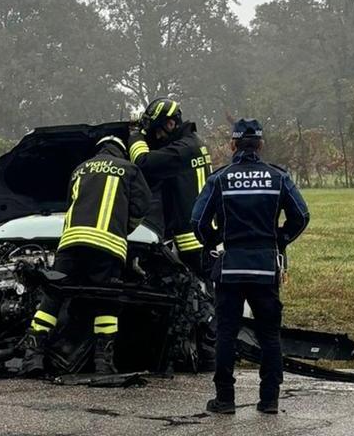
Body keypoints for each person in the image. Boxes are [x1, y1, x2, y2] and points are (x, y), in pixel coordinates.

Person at [191, 119, 309, 415]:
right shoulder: (278, 178)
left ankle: (225, 399)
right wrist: (279, 239)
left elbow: (197, 222)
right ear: (260, 145)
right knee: (269, 335)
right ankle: (269, 400)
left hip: (230, 269)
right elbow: (301, 216)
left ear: (232, 145)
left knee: (226, 335)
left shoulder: (220, 179)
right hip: (266, 269)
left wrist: (215, 240)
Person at [18, 135, 152, 375]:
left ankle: (32, 358)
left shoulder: (80, 169)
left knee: (54, 296)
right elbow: (142, 206)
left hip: (70, 243)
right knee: (106, 301)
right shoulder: (129, 169)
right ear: (121, 151)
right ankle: (103, 363)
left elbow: (71, 203)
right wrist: (123, 226)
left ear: (99, 150)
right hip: (107, 245)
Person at [127, 98, 213, 273]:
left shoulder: (182, 150)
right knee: (201, 290)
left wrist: (136, 136)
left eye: (158, 131)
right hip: (200, 234)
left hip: (191, 239)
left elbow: (143, 163)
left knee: (198, 292)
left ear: (171, 124)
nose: (157, 137)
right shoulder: (193, 143)